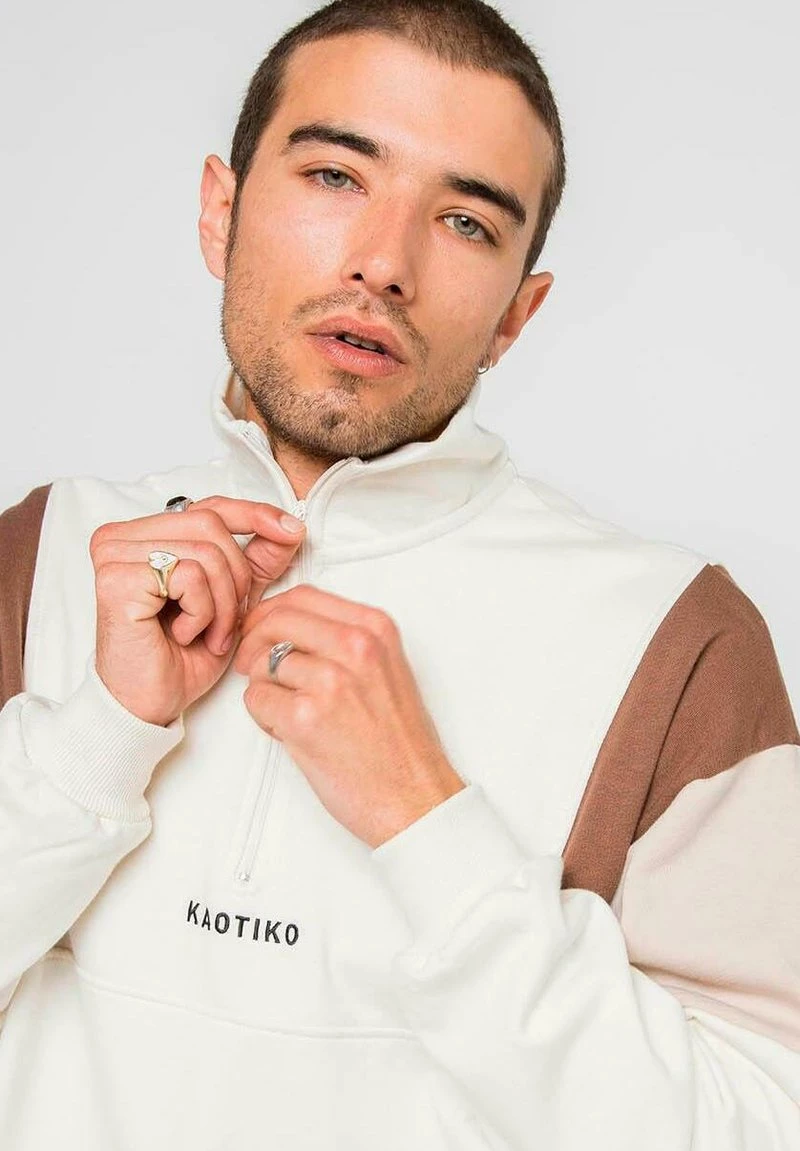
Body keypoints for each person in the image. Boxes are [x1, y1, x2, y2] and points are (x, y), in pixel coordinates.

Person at [0, 0, 798, 1147]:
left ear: (516, 313)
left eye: (465, 222)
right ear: (220, 212)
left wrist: (426, 822)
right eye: (335, 175)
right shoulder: (43, 552)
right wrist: (99, 735)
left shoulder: (678, 642)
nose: (383, 261)